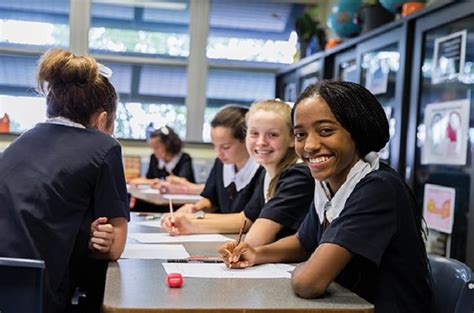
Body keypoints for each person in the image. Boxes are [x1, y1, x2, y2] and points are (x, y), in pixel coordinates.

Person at [219, 81, 432, 313]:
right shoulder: (328, 183)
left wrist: (304, 268)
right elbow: (303, 242)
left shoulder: (377, 187)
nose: (309, 145)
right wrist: (257, 253)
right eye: (300, 134)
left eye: (325, 131)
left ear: (358, 131)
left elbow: (308, 283)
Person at [0, 48, 129, 313]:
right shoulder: (105, 146)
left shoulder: (20, 142)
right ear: (102, 118)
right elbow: (115, 246)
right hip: (47, 293)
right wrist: (101, 240)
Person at [162, 100, 314, 247]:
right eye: (254, 133)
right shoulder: (269, 173)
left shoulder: (294, 175)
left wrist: (193, 221)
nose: (261, 142)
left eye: (273, 135)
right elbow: (223, 206)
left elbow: (250, 228)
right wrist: (193, 215)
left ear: (292, 138)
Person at [174, 105, 262, 214]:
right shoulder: (221, 163)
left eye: (225, 147)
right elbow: (212, 199)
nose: (218, 153)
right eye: (215, 146)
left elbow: (247, 218)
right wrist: (195, 208)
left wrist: (196, 221)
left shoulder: (262, 169)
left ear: (247, 140)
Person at [129, 125, 195, 185]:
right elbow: (148, 179)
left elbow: (183, 181)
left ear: (169, 145)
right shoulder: (154, 158)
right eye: (152, 147)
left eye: (157, 147)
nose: (154, 151)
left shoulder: (184, 158)